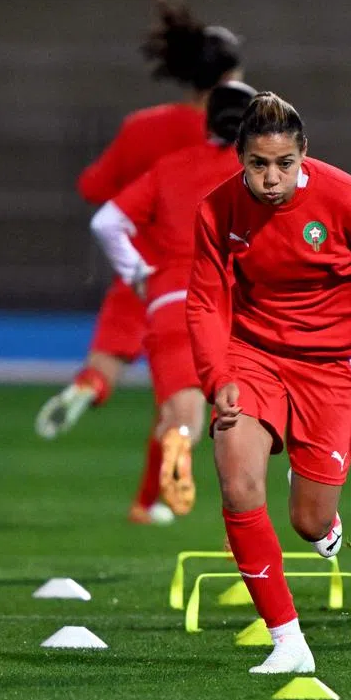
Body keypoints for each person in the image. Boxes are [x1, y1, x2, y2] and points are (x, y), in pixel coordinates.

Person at [187, 92, 351, 674]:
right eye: (258, 165)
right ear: (239, 158)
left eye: (284, 164)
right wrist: (216, 375)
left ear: (304, 156)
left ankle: (318, 505)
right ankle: (288, 641)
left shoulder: (348, 200)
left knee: (309, 521)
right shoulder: (217, 210)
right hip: (253, 355)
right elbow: (204, 301)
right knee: (238, 482)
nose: (272, 179)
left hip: (333, 365)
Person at [35, 0, 243, 525]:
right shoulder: (239, 143)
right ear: (231, 79)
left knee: (110, 360)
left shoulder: (144, 128)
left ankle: (89, 388)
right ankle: (148, 498)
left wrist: (145, 194)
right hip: (203, 280)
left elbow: (93, 189)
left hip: (141, 273)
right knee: (183, 397)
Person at [90, 81, 257, 516]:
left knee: (179, 412)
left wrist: (136, 272)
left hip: (169, 303)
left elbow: (106, 222)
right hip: (230, 304)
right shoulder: (255, 174)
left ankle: (169, 458)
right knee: (240, 411)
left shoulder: (170, 167)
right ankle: (240, 511)